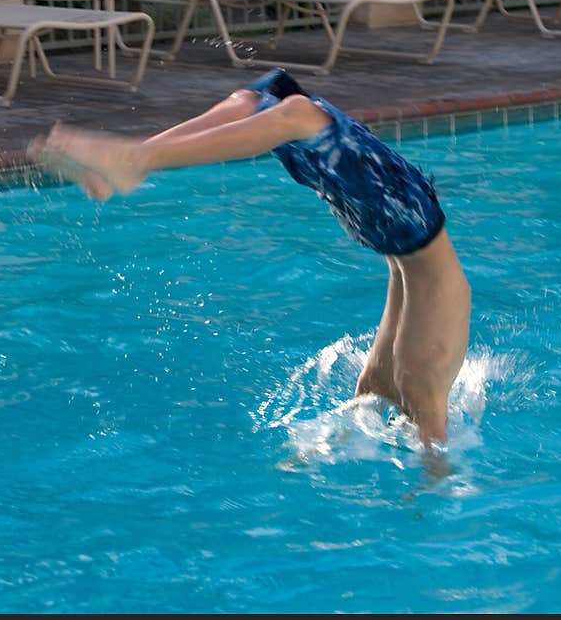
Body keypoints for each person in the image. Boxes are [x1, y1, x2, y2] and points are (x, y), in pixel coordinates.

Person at [27, 68, 471, 447]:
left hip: (408, 237)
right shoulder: (426, 353)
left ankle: (136, 161)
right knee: (382, 393)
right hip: (406, 232)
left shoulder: (421, 355)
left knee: (405, 398)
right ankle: (134, 161)